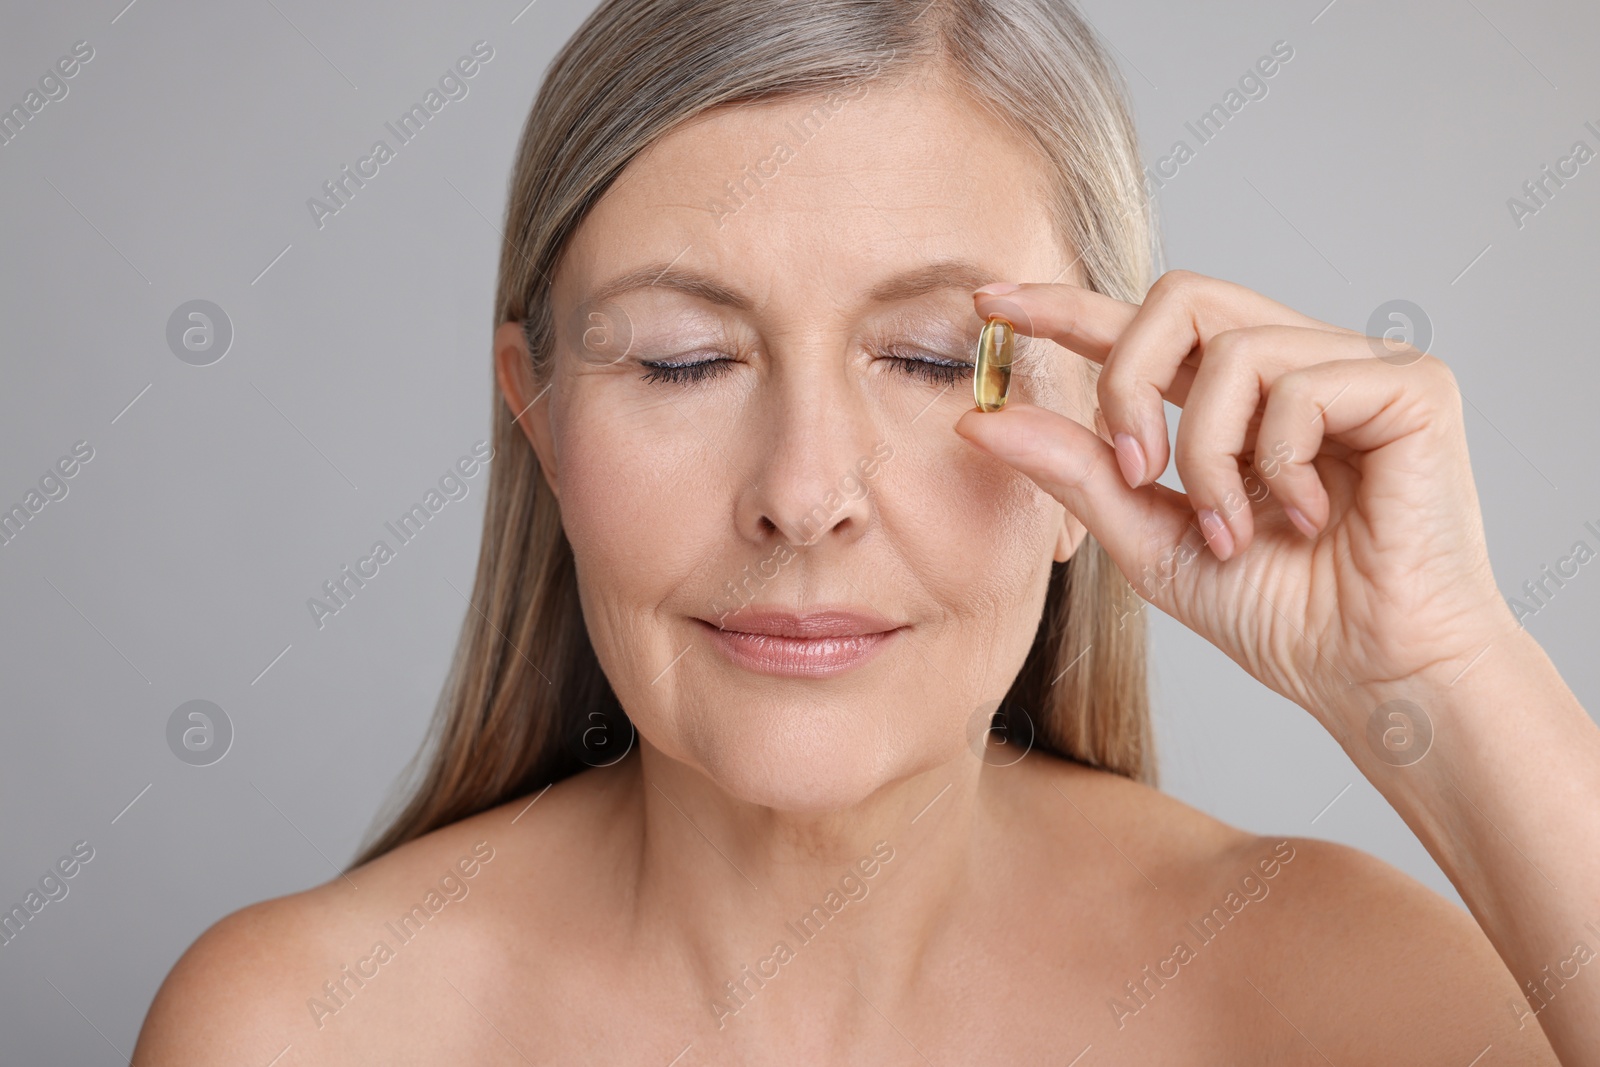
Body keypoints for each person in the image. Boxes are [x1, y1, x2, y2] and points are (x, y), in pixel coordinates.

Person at [135, 0, 1599, 1062]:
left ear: (1103, 418)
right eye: (682, 361)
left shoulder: (1329, 995)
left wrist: (1443, 676)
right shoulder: (301, 1028)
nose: (805, 489)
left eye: (926, 360)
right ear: (540, 414)